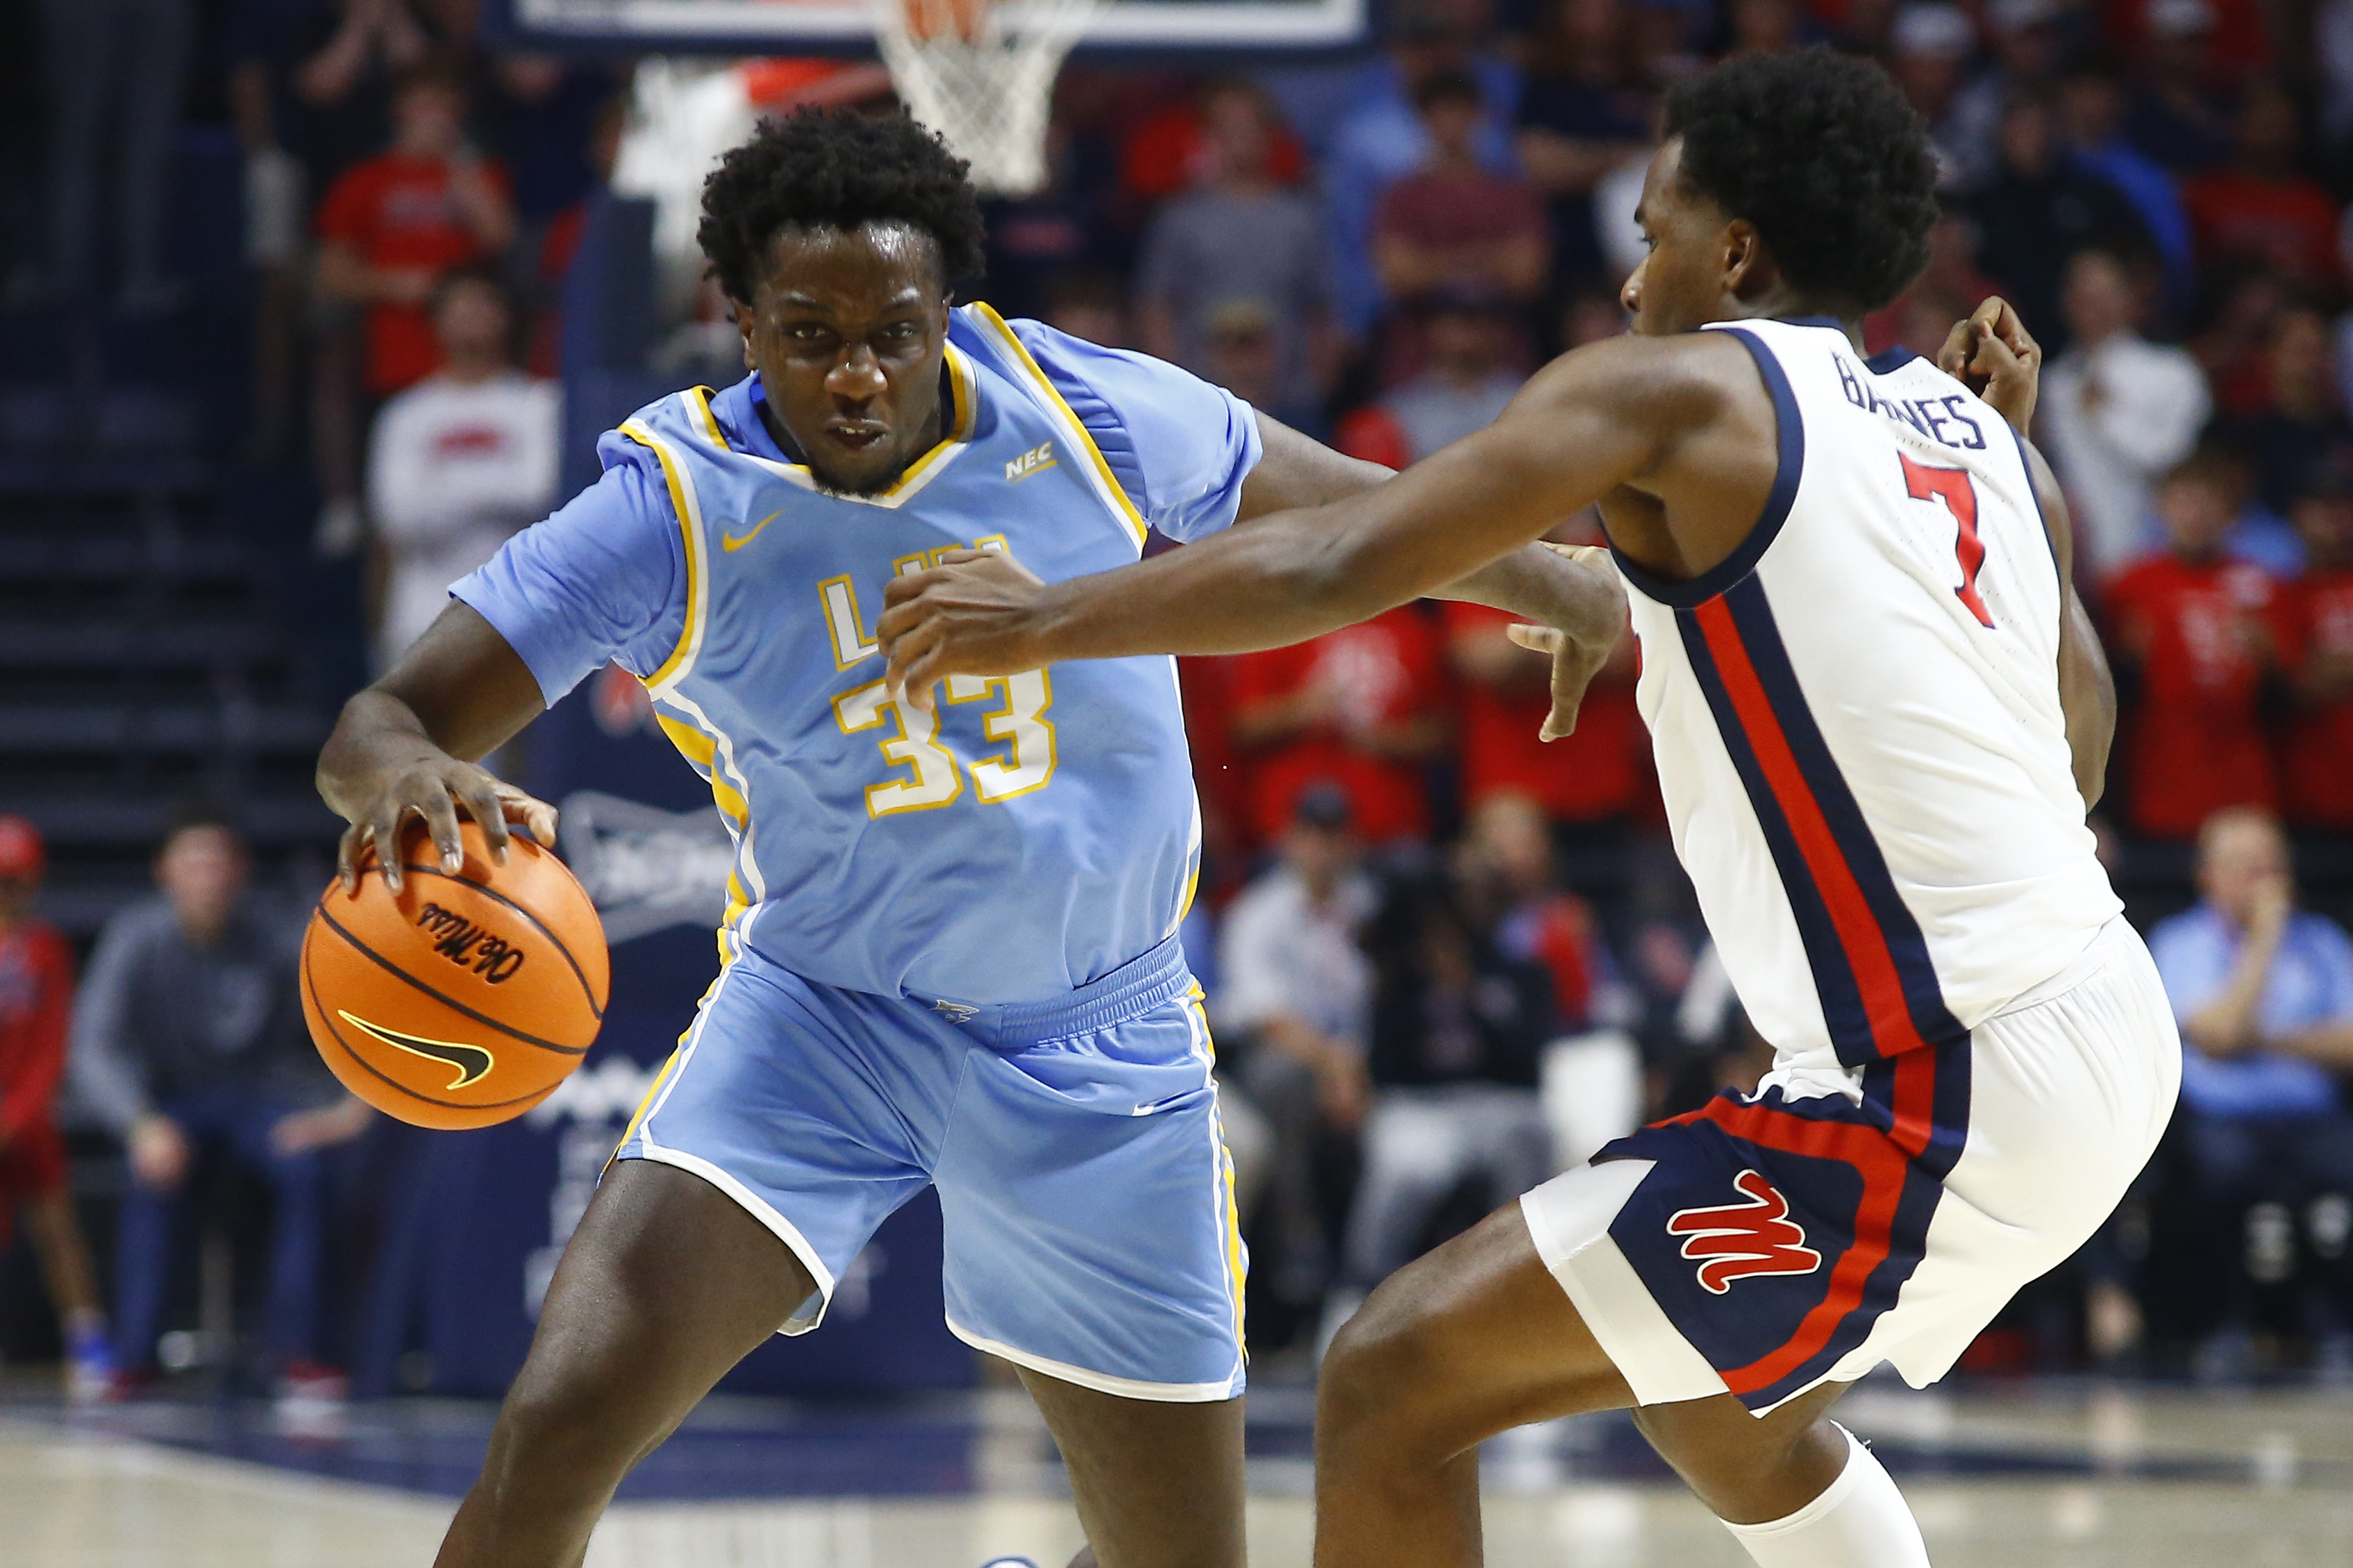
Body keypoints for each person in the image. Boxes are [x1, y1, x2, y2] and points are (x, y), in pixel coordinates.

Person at [881, 49, 2178, 1568]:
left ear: (1734, 254)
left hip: (1942, 1078)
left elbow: (1336, 560)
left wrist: (1041, 619)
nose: (1629, 280)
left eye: (1650, 232)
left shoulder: (1671, 389)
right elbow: (2076, 757)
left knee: (1393, 1377)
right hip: (2098, 1029)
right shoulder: (1984, 446)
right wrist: (2009, 471)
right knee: (1719, 1411)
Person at [311, 107, 1607, 1568]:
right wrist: (405, 774)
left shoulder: (1082, 404)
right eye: (809, 336)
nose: (855, 373)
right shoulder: (665, 506)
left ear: (948, 312)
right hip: (822, 1023)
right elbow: (380, 719)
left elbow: (1359, 525)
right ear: (741, 321)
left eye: (894, 332)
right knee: (555, 1426)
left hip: (1095, 1040)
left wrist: (1546, 577)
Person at [69, 809, 371, 1397]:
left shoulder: (278, 936)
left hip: (257, 1101)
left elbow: (349, 1017)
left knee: (308, 1167)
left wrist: (346, 1111)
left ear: (241, 871)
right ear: (165, 870)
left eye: (219, 861)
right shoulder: (136, 937)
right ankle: (136, 1355)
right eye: (193, 861)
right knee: (154, 1173)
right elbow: (94, 1045)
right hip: (171, 1103)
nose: (207, 876)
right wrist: (139, 1123)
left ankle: (302, 1353)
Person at [2145, 807, 2353, 1349]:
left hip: (2312, 1117)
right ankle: (2223, 1326)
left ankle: (2335, 1322)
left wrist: (2262, 1040)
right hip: (2217, 1120)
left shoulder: (2322, 941)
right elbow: (2216, 1034)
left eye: (2272, 865)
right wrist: (2264, 940)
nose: (2264, 881)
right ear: (2207, 874)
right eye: (2246, 866)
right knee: (2212, 1173)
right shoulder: (2178, 941)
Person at [365, 269, 561, 673]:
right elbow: (399, 515)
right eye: (459, 308)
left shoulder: (540, 404)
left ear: (506, 317)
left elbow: (541, 491)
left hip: (521, 620)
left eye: (482, 306)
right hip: (423, 618)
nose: (471, 318)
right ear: (436, 322)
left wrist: (444, 485)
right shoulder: (405, 415)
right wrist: (498, 482)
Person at [1134, 78, 1338, 430]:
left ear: (1270, 134)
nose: (1240, 138)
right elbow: (1157, 306)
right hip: (1200, 398)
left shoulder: (1300, 218)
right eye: (1228, 127)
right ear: (1208, 136)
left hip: (1288, 399)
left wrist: (1317, 383)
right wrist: (1169, 385)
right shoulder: (1180, 218)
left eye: (1250, 126)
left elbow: (1323, 309)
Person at [2104, 449, 2281, 840]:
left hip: (2245, 783)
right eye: (2185, 501)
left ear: (2230, 513)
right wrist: (2128, 663)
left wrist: (2269, 662)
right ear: (2161, 508)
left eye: (2208, 502)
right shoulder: (2129, 586)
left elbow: (2288, 696)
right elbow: (2105, 694)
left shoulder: (2262, 586)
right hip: (2158, 783)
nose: (2197, 515)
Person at [0, 817, 115, 1401]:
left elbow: (52, 1042)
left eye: (17, 880)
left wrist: (19, 1113)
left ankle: (87, 1340)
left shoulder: (45, 948)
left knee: (58, 1234)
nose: (10, 892)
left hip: (28, 1120)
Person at [2038, 248, 2209, 582]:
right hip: (2072, 561)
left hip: (2151, 555)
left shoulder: (2173, 371)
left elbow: (2176, 462)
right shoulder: (2053, 382)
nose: (2092, 305)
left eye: (2103, 294)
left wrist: (2106, 415)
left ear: (2131, 297)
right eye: (2082, 294)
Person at [2272, 464, 2353, 834]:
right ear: (2298, 517)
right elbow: (2298, 686)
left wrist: (2330, 666)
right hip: (2312, 795)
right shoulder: (2282, 594)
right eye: (2321, 508)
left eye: (2342, 507)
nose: (2334, 521)